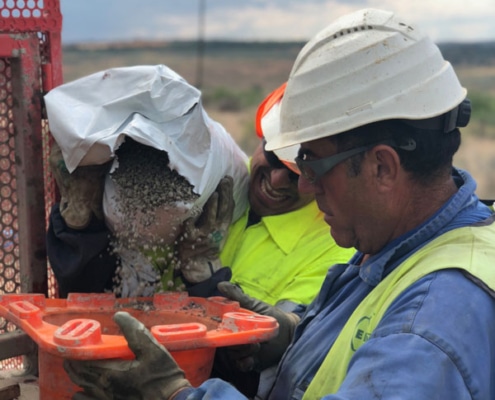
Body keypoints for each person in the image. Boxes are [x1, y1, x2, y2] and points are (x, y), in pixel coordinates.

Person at [64, 8, 495, 400]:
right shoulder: (395, 249)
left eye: (312, 164)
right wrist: (292, 333)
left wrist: (172, 394)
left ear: (382, 167)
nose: (305, 184)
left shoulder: (429, 324)